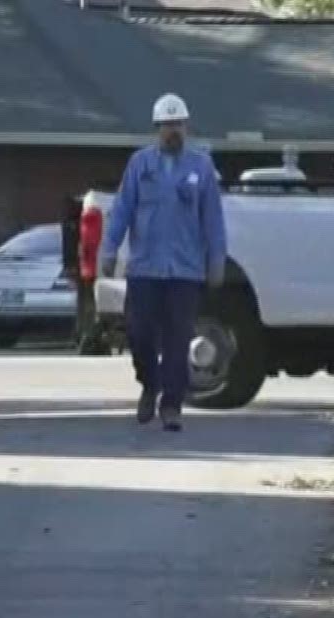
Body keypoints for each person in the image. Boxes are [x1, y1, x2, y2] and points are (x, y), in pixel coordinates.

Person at [99, 93, 228, 431]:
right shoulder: (140, 165)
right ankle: (149, 384)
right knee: (140, 333)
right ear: (157, 128)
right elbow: (123, 209)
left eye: (179, 124)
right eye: (168, 125)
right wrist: (110, 249)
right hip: (144, 267)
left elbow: (213, 219)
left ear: (187, 127)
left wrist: (216, 260)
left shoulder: (200, 167)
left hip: (185, 271)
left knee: (177, 338)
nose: (174, 131)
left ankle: (172, 405)